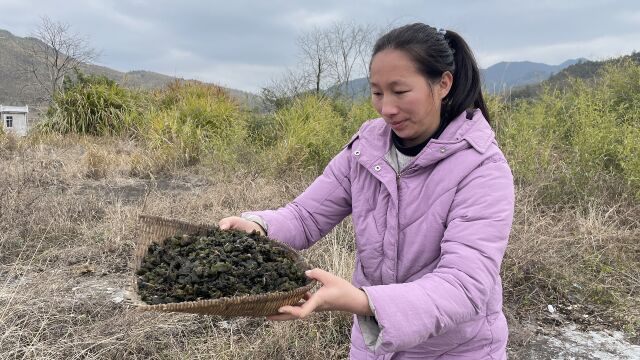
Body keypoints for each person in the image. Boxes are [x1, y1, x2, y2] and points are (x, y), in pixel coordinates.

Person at [219, 23, 514, 360]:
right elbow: (305, 216)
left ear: (443, 84)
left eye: (400, 92)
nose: (386, 107)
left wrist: (364, 301)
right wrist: (260, 228)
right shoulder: (366, 150)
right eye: (377, 92)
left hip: (455, 350)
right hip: (374, 348)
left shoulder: (481, 167)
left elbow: (463, 285)